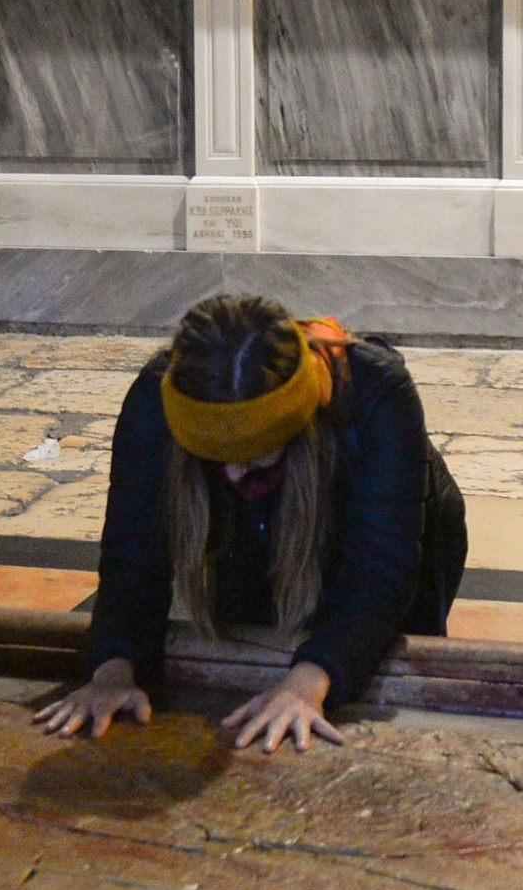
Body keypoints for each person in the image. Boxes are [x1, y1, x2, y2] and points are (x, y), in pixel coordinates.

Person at [39, 296, 467, 754]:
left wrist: (308, 684)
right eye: (213, 458)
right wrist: (113, 670)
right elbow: (133, 555)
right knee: (251, 644)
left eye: (253, 456)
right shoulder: (155, 397)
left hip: (401, 527)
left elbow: (379, 570)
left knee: (377, 681)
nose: (232, 476)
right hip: (250, 530)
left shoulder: (378, 391)